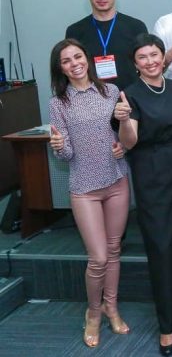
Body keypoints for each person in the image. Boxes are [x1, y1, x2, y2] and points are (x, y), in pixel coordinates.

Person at [113, 34, 172, 356]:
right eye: (143, 57)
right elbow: (130, 141)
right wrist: (124, 120)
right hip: (151, 173)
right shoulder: (130, 95)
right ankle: (166, 325)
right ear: (135, 63)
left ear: (163, 57)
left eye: (154, 55)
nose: (150, 61)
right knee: (162, 246)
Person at [48, 39, 130, 348]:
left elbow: (121, 136)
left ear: (88, 58)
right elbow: (66, 155)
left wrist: (122, 146)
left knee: (113, 250)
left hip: (117, 181)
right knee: (98, 258)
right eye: (66, 61)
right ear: (61, 68)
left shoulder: (110, 91)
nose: (74, 64)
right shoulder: (58, 103)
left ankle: (112, 307)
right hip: (84, 188)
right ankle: (93, 313)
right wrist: (59, 147)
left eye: (78, 56)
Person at [66, 0, 148, 90]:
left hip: (131, 98)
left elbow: (147, 67)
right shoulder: (75, 31)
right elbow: (70, 72)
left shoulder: (136, 27)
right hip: (91, 99)